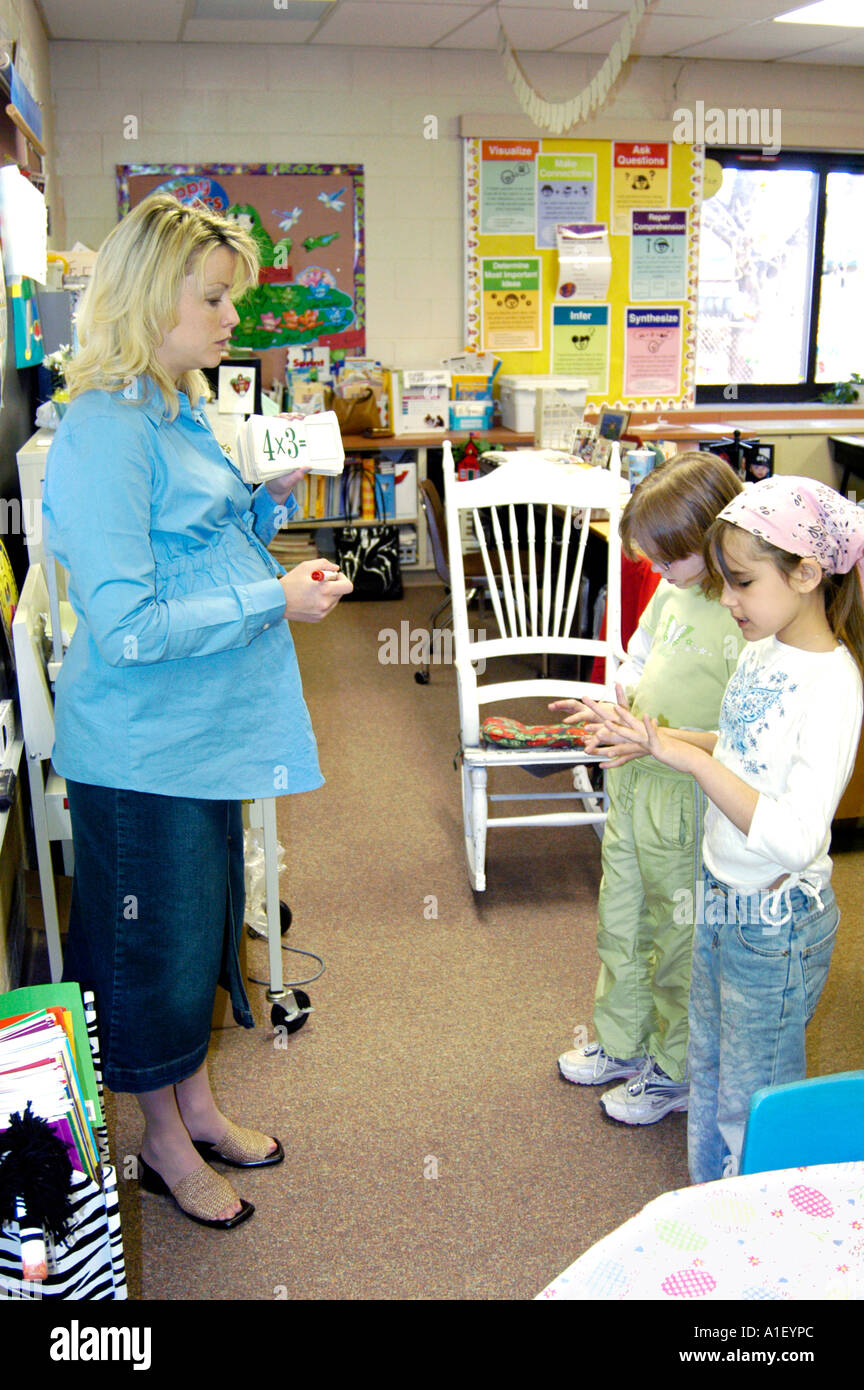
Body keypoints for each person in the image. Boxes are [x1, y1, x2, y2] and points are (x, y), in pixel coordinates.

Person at [41, 194, 353, 1229]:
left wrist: (269, 500)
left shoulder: (174, 402)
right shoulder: (103, 428)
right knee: (150, 951)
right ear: (148, 295)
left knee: (199, 933)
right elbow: (127, 620)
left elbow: (201, 534)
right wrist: (275, 596)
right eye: (214, 298)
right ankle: (160, 1140)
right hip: (143, 744)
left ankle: (196, 1100)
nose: (232, 320)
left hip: (204, 726)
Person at [587, 476, 864, 1180]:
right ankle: (712, 1201)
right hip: (722, 892)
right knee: (708, 1069)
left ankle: (756, 1216)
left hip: (774, 923)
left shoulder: (830, 685)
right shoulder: (764, 647)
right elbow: (740, 749)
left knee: (753, 1096)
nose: (726, 598)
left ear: (807, 574)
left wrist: (682, 757)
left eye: (740, 581)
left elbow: (796, 836)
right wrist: (660, 739)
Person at [552, 452, 744, 1124]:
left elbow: (748, 739)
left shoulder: (745, 612)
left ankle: (675, 1067)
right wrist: (617, 704)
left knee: (677, 935)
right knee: (622, 918)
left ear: (712, 540)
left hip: (686, 796)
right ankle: (623, 1042)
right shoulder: (672, 590)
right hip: (633, 778)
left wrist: (660, 737)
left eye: (669, 560)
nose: (658, 574)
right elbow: (638, 657)